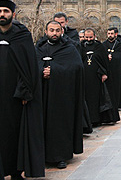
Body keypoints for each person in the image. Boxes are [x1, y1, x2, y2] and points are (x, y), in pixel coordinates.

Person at [0, 0, 45, 179]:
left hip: (14, 96)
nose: (2, 14)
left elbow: (29, 67)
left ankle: (16, 170)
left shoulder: (22, 35)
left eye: (5, 11)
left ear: (13, 14)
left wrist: (25, 91)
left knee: (15, 134)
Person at [36, 20, 83, 169]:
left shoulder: (69, 48)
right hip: (41, 95)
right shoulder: (39, 48)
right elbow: (30, 65)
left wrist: (54, 71)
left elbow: (76, 67)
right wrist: (41, 71)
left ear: (62, 31)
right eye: (51, 30)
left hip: (61, 95)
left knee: (59, 125)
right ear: (46, 32)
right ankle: (41, 156)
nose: (54, 33)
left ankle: (60, 156)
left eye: (57, 30)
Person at [81, 28, 118, 126]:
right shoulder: (81, 46)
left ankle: (97, 119)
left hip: (97, 77)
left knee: (97, 98)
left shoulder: (99, 46)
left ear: (94, 36)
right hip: (85, 77)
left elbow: (104, 62)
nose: (88, 39)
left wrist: (104, 73)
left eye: (90, 37)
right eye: (86, 37)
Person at [103, 27, 121, 110]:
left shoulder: (119, 45)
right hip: (107, 71)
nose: (110, 35)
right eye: (109, 34)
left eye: (112, 34)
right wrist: (106, 57)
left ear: (115, 34)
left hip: (117, 70)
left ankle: (117, 104)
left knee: (117, 87)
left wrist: (113, 57)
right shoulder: (104, 44)